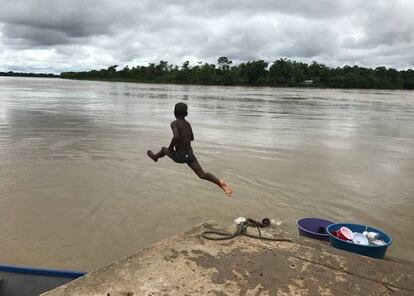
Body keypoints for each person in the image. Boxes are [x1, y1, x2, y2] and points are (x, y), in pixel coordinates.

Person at [147, 102, 233, 197]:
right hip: (190, 154)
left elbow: (176, 136)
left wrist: (171, 148)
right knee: (202, 174)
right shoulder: (188, 124)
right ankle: (220, 183)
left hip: (180, 156)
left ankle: (155, 157)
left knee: (164, 149)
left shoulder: (174, 123)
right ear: (186, 114)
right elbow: (191, 137)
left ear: (174, 113)